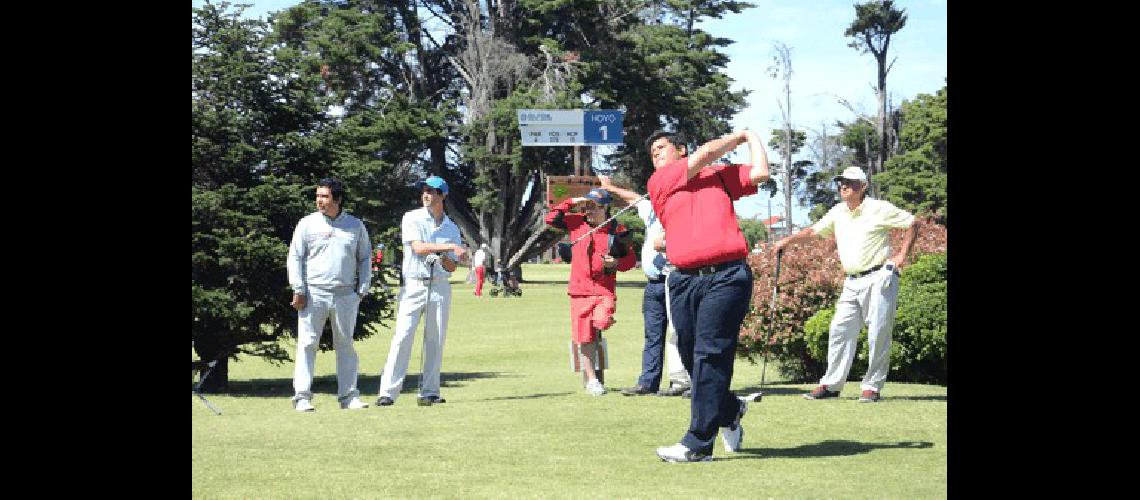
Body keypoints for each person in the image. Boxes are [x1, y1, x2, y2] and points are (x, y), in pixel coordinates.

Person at [645, 129, 770, 462]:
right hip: (684, 280)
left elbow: (760, 173)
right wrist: (740, 135)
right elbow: (707, 155)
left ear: (681, 149)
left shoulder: (719, 177)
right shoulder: (661, 182)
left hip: (727, 276)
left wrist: (754, 138)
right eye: (652, 152)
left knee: (709, 355)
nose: (656, 155)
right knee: (690, 356)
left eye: (662, 148)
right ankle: (729, 411)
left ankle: (698, 444)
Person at [771, 166, 920, 403]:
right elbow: (814, 231)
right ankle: (831, 384)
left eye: (849, 183)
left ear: (863, 186)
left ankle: (872, 387)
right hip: (852, 281)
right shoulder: (838, 211)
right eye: (841, 182)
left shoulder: (878, 208)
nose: (843, 186)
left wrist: (902, 256)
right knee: (840, 330)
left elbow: (913, 223)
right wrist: (788, 241)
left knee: (878, 333)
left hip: (879, 276)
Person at [375, 175, 467, 407]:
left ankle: (429, 392)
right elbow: (418, 248)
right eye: (424, 190)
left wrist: (449, 256)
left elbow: (452, 266)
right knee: (403, 337)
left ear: (443, 196)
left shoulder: (451, 227)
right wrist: (449, 247)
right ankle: (388, 392)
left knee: (435, 340)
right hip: (414, 284)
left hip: (439, 286)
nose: (426, 195)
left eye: (432, 191)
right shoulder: (412, 218)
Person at [599, 176, 692, 398]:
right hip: (653, 284)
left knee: (678, 332)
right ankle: (648, 381)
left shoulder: (681, 213)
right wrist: (609, 187)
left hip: (675, 279)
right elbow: (634, 198)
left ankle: (684, 382)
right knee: (653, 335)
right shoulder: (650, 210)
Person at [286, 177, 372, 412]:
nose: (319, 201)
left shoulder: (355, 226)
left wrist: (361, 290)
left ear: (338, 199)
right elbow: (295, 257)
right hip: (313, 294)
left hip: (345, 295)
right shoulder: (307, 224)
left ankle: (349, 397)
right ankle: (302, 397)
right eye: (317, 196)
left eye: (324, 196)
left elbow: (365, 257)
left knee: (345, 344)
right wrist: (299, 289)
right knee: (307, 343)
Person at [544, 188, 636, 395]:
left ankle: (597, 364)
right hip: (579, 290)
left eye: (594, 207)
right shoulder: (576, 222)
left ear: (605, 208)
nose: (589, 211)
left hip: (604, 290)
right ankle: (592, 380)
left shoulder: (617, 229)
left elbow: (629, 260)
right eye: (587, 207)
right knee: (584, 338)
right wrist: (572, 200)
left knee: (601, 322)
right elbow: (550, 218)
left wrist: (616, 263)